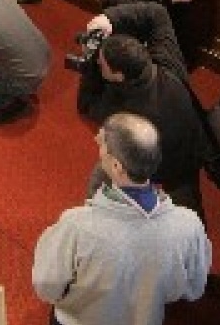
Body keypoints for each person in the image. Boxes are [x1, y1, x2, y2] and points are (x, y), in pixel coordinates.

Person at [32, 113, 211, 325]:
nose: (96, 140)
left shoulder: (78, 225)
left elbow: (46, 287)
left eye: (103, 143)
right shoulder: (189, 223)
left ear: (116, 166)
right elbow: (194, 288)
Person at [77, 34, 206, 215]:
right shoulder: (167, 67)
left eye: (102, 64)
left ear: (119, 75)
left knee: (102, 172)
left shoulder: (127, 114)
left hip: (158, 167)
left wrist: (89, 66)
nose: (99, 62)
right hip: (193, 151)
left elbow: (86, 106)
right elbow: (158, 14)